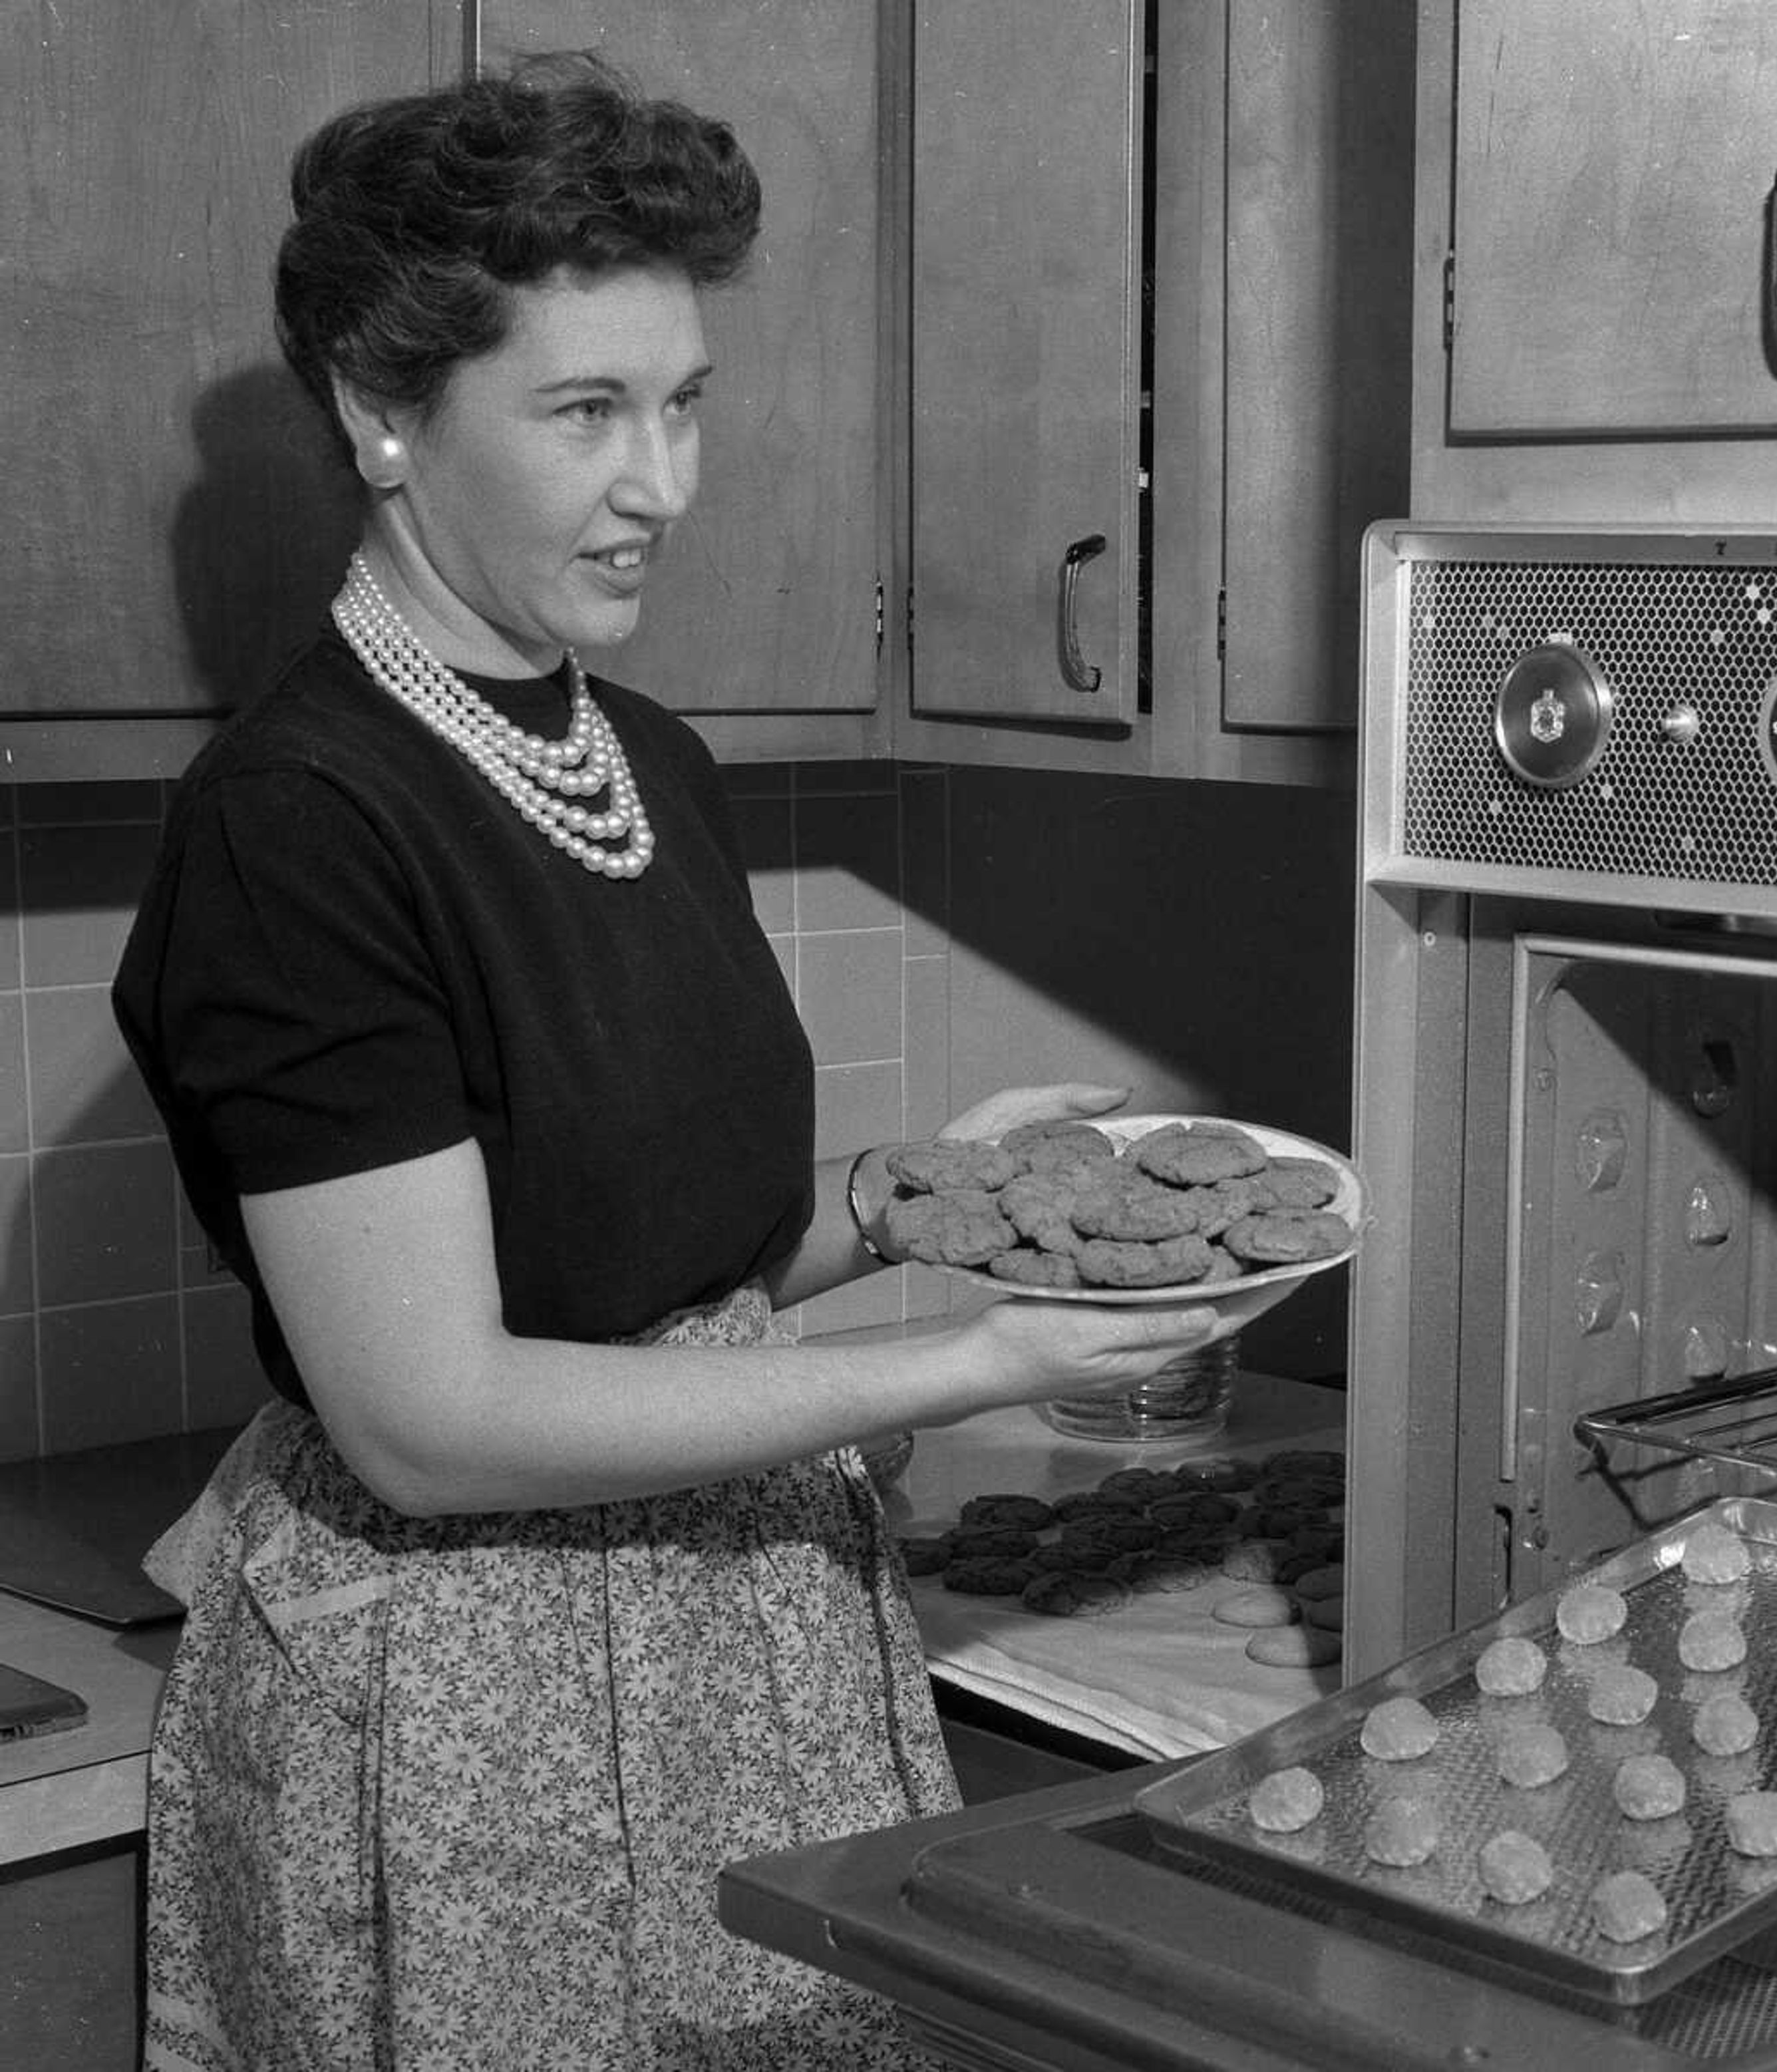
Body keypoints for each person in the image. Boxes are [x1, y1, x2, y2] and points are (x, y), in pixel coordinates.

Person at [112, 54, 1293, 2071]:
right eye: (586, 412)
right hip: (473, 1709)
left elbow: (661, 1270)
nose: (665, 482)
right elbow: (431, 1415)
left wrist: (910, 1197)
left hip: (751, 1634)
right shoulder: (300, 823)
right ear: (384, 416)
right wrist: (985, 1358)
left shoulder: (644, 758)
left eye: (684, 404)